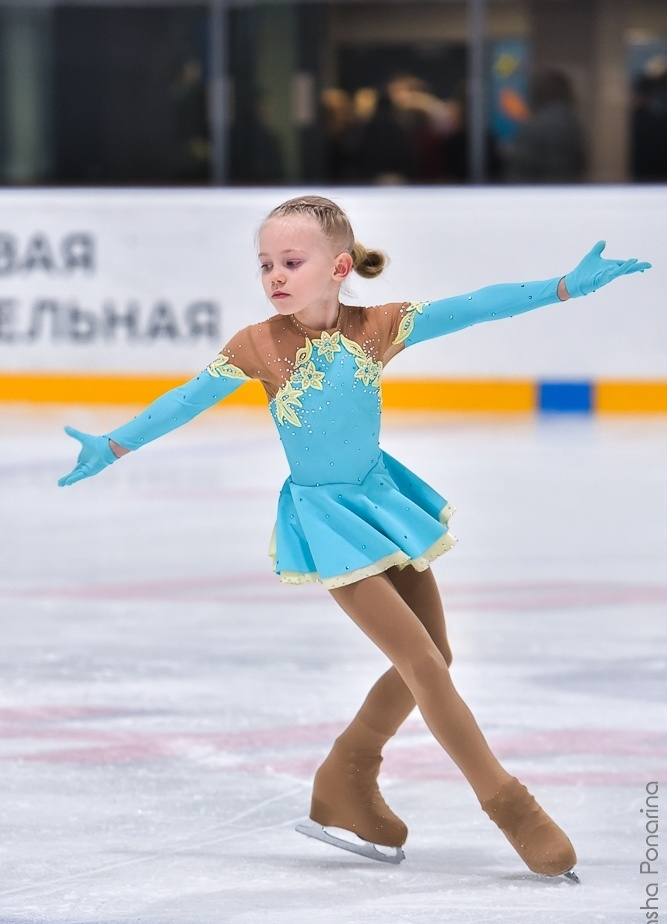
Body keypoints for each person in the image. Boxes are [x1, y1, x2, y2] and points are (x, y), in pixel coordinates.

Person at [58, 195, 650, 879]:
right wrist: (112, 445)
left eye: (290, 261)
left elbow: (476, 304)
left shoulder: (377, 326)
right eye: (265, 265)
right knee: (422, 664)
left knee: (438, 656)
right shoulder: (257, 345)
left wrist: (562, 287)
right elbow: (185, 400)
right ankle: (509, 806)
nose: (274, 276)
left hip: (378, 499)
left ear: (338, 267)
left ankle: (346, 777)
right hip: (326, 522)